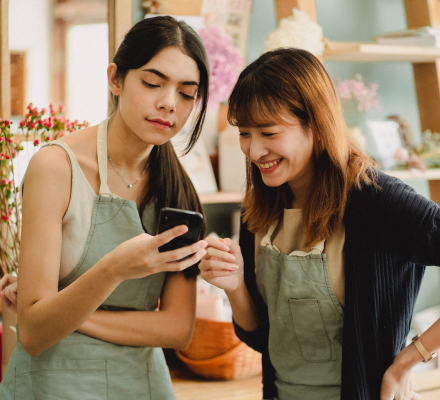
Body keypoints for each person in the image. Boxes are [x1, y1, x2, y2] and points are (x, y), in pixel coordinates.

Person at [199, 47, 440, 400]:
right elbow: (261, 336)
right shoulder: (260, 209)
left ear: (316, 123)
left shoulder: (376, 199)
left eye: (268, 132)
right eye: (244, 133)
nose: (252, 151)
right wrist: (235, 286)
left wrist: (409, 360)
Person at [0, 15, 209, 399]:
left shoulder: (179, 191)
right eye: (152, 83)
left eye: (186, 93)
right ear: (115, 79)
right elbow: (33, 334)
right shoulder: (55, 168)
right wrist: (113, 269)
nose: (168, 104)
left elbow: (178, 329)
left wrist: (72, 315)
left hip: (143, 386)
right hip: (52, 383)